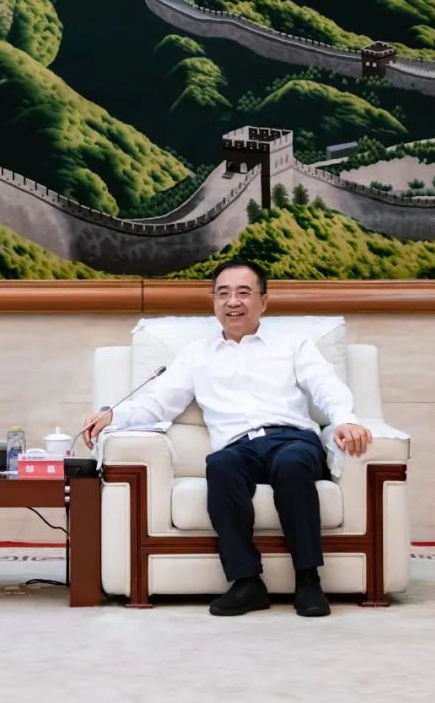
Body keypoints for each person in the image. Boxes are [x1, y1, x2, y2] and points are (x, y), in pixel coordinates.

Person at [82, 258, 372, 617]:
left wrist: (344, 419)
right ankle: (246, 582)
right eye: (223, 293)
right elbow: (158, 403)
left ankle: (308, 579)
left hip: (291, 439)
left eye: (244, 293)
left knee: (292, 464)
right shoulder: (195, 355)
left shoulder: (293, 345)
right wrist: (112, 415)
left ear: (263, 301)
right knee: (219, 465)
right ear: (214, 301)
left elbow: (326, 386)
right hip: (238, 447)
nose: (233, 301)